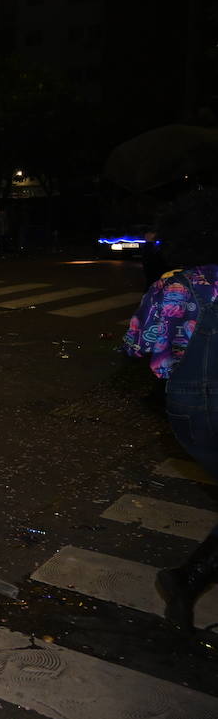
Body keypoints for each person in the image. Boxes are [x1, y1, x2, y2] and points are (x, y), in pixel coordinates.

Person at [123, 188, 218, 631]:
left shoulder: (176, 285)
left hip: (190, 404)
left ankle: (187, 579)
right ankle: (188, 578)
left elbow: (138, 344)